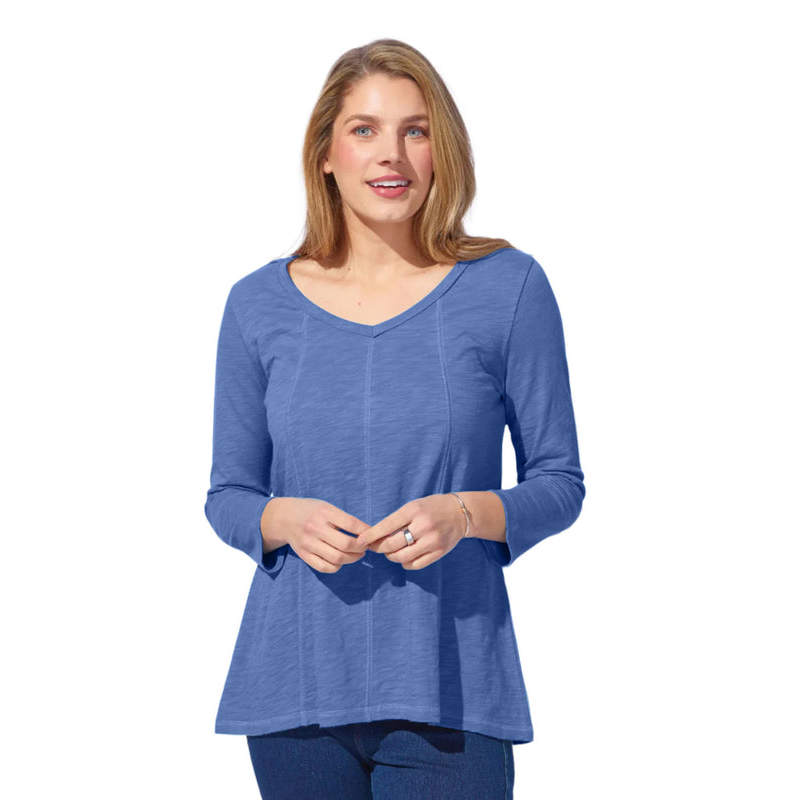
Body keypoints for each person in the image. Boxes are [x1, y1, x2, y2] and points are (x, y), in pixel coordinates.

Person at [204, 38, 585, 799]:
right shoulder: (257, 304)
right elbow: (228, 496)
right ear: (325, 154)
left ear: (443, 150)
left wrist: (465, 514)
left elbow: (560, 482)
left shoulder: (507, 287)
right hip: (295, 695)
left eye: (416, 130)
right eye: (365, 129)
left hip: (450, 689)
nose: (393, 154)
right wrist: (283, 519)